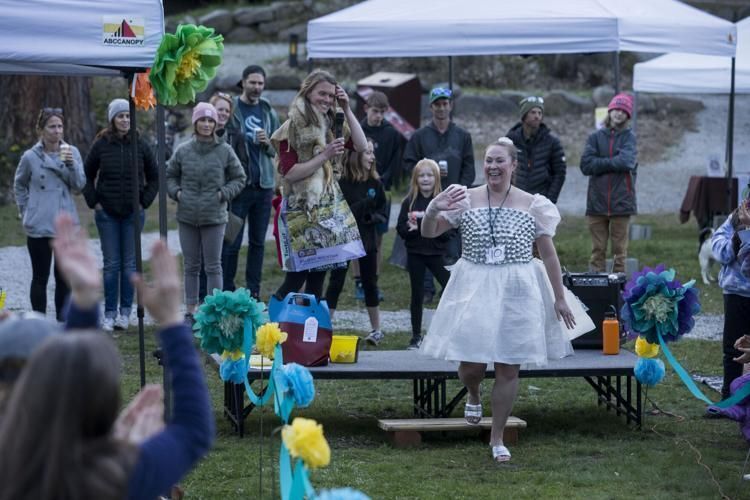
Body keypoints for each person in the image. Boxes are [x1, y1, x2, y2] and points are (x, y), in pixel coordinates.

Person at [0, 223, 214, 500]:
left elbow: (67, 372)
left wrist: (84, 306)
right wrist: (172, 321)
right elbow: (193, 431)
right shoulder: (113, 478)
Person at [419, 137, 578, 463]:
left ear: (513, 165)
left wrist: (560, 298)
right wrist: (433, 208)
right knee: (471, 364)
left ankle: (497, 437)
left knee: (508, 365)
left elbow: (548, 255)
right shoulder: (466, 197)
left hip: (517, 287)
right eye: (488, 160)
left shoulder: (533, 204)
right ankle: (474, 393)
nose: (493, 166)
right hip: (474, 284)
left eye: (499, 161)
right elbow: (428, 232)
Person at [269, 69, 368, 301]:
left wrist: (347, 108)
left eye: (331, 96)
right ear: (307, 92)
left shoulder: (333, 123)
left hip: (327, 207)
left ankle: (309, 332)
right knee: (296, 277)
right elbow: (289, 173)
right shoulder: (291, 127)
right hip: (300, 207)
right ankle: (269, 324)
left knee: (318, 276)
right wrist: (325, 155)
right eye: (321, 94)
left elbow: (362, 146)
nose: (326, 100)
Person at [83, 98, 159, 332]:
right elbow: (86, 174)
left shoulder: (141, 144)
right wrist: (94, 202)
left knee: (129, 265)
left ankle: (125, 313)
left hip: (132, 215)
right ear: (112, 120)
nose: (125, 120)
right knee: (111, 265)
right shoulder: (101, 144)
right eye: (120, 116)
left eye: (128, 116)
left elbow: (155, 176)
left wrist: (143, 202)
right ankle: (109, 313)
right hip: (107, 214)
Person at [167, 102, 246, 322]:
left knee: (213, 266)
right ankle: (191, 310)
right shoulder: (183, 150)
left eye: (210, 120)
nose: (206, 124)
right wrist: (178, 193)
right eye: (202, 119)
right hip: (187, 217)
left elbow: (240, 178)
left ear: (215, 124)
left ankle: (214, 310)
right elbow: (169, 175)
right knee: (191, 266)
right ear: (195, 122)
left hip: (215, 217)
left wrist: (223, 194)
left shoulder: (224, 150)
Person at [13, 107, 86, 322]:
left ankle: (63, 324)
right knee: (40, 277)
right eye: (52, 126)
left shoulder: (71, 152)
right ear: (41, 130)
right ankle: (39, 323)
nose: (57, 131)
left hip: (64, 225)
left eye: (60, 126)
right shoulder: (30, 157)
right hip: (39, 224)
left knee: (63, 278)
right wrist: (26, 210)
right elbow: (19, 184)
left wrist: (71, 165)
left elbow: (79, 186)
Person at [403, 87, 474, 303]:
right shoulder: (420, 136)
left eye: (445, 104)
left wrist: (460, 190)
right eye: (437, 104)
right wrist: (425, 175)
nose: (441, 108)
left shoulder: (462, 136)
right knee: (425, 242)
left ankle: (449, 287)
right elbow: (408, 164)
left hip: (454, 200)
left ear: (450, 106)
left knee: (451, 244)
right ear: (431, 107)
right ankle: (426, 289)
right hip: (427, 198)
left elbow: (470, 167)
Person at [222, 65, 281, 299]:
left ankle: (253, 291)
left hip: (263, 187)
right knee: (232, 242)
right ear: (243, 82)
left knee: (257, 243)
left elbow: (278, 148)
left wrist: (267, 142)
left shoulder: (268, 111)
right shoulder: (232, 108)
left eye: (260, 83)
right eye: (252, 82)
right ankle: (226, 289)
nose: (256, 87)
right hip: (238, 188)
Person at [324, 139, 387, 345]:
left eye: (372, 153)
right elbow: (345, 211)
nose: (372, 157)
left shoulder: (375, 183)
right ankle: (325, 327)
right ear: (355, 155)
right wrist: (364, 205)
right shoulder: (342, 184)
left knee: (370, 282)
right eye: (368, 153)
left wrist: (373, 217)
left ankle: (376, 330)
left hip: (367, 239)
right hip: (344, 239)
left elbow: (382, 211)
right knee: (336, 282)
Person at [396, 159, 451, 350]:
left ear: (436, 178)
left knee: (451, 287)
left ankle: (449, 332)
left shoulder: (442, 202)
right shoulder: (409, 201)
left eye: (429, 175)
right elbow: (400, 229)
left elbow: (450, 232)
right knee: (417, 294)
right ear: (415, 179)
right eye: (421, 175)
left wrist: (433, 229)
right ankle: (416, 336)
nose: (425, 179)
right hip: (416, 253)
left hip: (436, 253)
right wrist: (411, 230)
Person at [580, 92, 637, 273]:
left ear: (627, 115)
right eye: (616, 109)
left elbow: (626, 161)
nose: (618, 113)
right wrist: (613, 162)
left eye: (623, 110)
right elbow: (585, 165)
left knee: (620, 252)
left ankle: (618, 289)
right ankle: (596, 287)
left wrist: (601, 162)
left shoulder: (629, 137)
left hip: (622, 202)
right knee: (597, 251)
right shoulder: (595, 137)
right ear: (609, 111)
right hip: (597, 202)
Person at [354, 90, 403, 300]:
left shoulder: (391, 133)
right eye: (375, 111)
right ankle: (358, 283)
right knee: (355, 238)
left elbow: (395, 163)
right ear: (366, 109)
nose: (379, 116)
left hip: (382, 191)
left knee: (377, 239)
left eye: (383, 112)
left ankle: (372, 281)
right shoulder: (357, 130)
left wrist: (382, 181)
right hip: (359, 191)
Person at [710, 200, 750, 400]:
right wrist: (737, 237)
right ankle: (728, 398)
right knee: (732, 348)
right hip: (735, 293)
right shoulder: (736, 217)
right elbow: (718, 248)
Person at [505, 95, 567, 203]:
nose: (537, 116)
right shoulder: (511, 139)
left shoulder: (552, 142)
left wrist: (550, 200)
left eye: (540, 113)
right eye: (533, 112)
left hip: (540, 200)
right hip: (515, 198)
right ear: (524, 115)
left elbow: (559, 173)